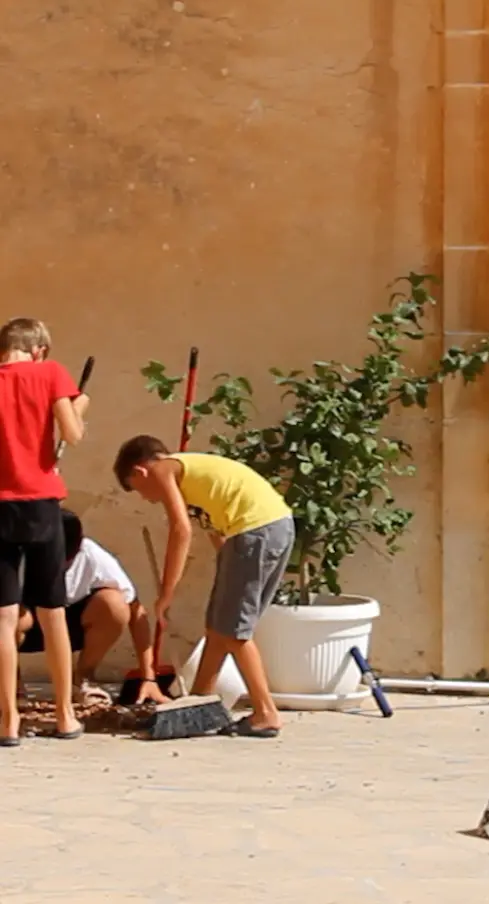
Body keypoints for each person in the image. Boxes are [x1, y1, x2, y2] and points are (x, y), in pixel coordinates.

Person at [112, 435, 293, 738]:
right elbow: (218, 536)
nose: (146, 498)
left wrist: (166, 594)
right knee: (218, 627)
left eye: (137, 489)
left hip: (254, 532)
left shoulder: (163, 469)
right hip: (268, 529)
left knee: (234, 631)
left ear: (140, 472)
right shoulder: (193, 482)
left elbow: (180, 531)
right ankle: (197, 703)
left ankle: (266, 713)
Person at [0, 317, 89, 746]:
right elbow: (72, 434)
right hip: (40, 503)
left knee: (1, 615)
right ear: (38, 350)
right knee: (52, 609)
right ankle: (64, 715)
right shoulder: (50, 373)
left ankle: (7, 721)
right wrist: (79, 407)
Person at [17, 509, 167, 707]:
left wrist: (148, 678)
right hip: (25, 628)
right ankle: (12, 687)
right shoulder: (15, 557)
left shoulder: (93, 556)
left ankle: (83, 681)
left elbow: (136, 611)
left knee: (114, 604)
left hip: (70, 625)